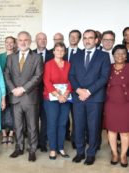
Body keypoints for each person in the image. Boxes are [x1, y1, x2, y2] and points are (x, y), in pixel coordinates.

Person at [69, 29, 111, 165]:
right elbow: (71, 76)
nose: (87, 40)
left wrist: (88, 91)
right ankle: (80, 152)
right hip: (78, 97)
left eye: (90, 38)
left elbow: (104, 77)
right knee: (78, 126)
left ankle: (91, 153)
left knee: (93, 127)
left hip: (95, 98)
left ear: (96, 40)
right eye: (85, 38)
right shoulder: (76, 56)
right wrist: (78, 90)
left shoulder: (103, 56)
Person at [5, 31, 43, 162]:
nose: (23, 42)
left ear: (30, 41)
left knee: (32, 126)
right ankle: (19, 147)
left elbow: (38, 76)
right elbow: (7, 75)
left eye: (26, 39)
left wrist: (23, 88)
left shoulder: (37, 57)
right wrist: (13, 89)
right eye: (20, 40)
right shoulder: (11, 58)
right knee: (18, 125)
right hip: (15, 97)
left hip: (30, 97)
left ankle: (32, 149)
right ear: (17, 41)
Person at [43, 42, 72, 160]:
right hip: (51, 98)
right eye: (57, 50)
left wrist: (65, 94)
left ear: (65, 52)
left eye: (62, 50)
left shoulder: (69, 65)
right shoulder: (48, 65)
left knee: (62, 123)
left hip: (65, 98)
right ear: (53, 51)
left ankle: (61, 147)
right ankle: (53, 149)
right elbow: (46, 81)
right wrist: (58, 95)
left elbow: (72, 80)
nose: (59, 52)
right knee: (52, 123)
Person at [104, 44, 129, 168]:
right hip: (110, 103)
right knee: (112, 130)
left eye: (123, 53)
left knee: (125, 132)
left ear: (126, 56)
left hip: (126, 104)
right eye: (117, 53)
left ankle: (123, 155)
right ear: (113, 55)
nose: (120, 55)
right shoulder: (107, 68)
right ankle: (114, 153)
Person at [33, 32, 53, 152]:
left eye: (44, 39)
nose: (42, 40)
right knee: (33, 119)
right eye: (40, 39)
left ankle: (43, 142)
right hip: (33, 92)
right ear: (36, 41)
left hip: (48, 92)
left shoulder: (52, 54)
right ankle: (34, 142)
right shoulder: (30, 54)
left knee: (45, 119)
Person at [0, 36, 16, 144]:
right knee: (1, 111)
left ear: (14, 44)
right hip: (1, 88)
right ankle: (4, 133)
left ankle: (12, 133)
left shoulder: (18, 56)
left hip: (14, 88)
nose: (9, 44)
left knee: (14, 111)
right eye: (7, 42)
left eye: (11, 42)